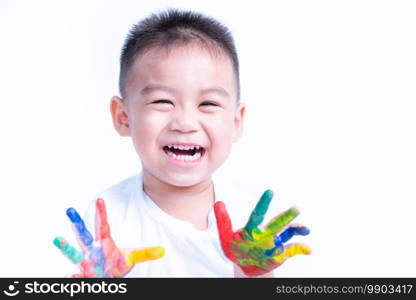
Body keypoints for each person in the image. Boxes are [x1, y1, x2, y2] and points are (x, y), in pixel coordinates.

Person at [55, 8, 310, 278]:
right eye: (162, 102)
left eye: (208, 103)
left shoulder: (251, 222)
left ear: (236, 121)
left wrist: (254, 274)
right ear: (123, 117)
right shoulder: (102, 227)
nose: (185, 122)